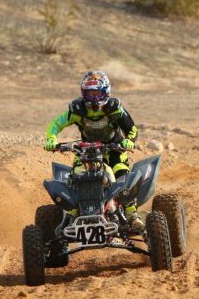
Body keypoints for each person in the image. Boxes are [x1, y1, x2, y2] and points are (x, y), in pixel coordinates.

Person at [43, 70, 143, 231]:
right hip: (86, 152)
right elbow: (55, 124)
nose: (94, 97)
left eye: (98, 92)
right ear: (84, 93)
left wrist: (129, 141)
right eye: (90, 93)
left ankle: (132, 215)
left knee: (122, 173)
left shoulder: (114, 108)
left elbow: (132, 129)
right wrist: (52, 139)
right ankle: (71, 215)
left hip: (114, 149)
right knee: (74, 177)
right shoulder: (77, 109)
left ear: (106, 92)